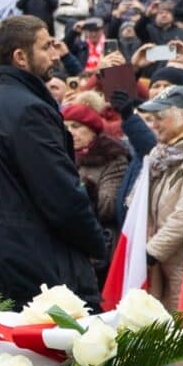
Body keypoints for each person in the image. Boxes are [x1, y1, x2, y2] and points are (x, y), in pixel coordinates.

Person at [0, 15, 106, 309]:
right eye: (46, 46)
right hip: (28, 265)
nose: (55, 54)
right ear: (20, 57)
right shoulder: (29, 111)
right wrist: (96, 243)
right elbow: (61, 195)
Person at [136, 87, 183, 310]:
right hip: (161, 267)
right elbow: (137, 205)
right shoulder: (160, 157)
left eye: (160, 117)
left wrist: (150, 253)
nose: (154, 124)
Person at [61, 103, 130, 285]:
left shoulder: (111, 158)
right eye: (65, 127)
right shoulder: (59, 157)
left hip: (98, 243)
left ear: (92, 130)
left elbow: (108, 206)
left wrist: (84, 190)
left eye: (76, 127)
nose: (70, 132)